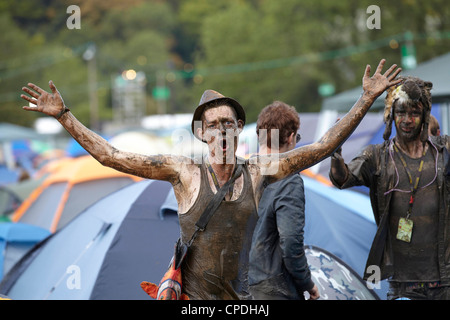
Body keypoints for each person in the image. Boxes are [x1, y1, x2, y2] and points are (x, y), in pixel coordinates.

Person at [21, 59, 401, 300]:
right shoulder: (183, 173)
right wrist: (64, 116)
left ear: (240, 131)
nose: (221, 132)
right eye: (212, 125)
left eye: (228, 124)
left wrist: (364, 100)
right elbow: (111, 156)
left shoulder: (259, 172)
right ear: (201, 133)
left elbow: (320, 147)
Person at [329, 76, 450, 300]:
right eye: (401, 113)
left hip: (446, 279)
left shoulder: (443, 153)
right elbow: (341, 179)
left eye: (414, 113)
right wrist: (335, 152)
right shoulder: (377, 156)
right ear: (391, 115)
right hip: (402, 284)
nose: (406, 119)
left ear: (424, 116)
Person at [249, 101, 320, 300]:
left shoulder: (240, 172)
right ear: (290, 137)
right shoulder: (289, 181)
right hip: (273, 290)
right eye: (296, 137)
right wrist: (307, 282)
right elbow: (290, 244)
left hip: (237, 288)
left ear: (259, 136)